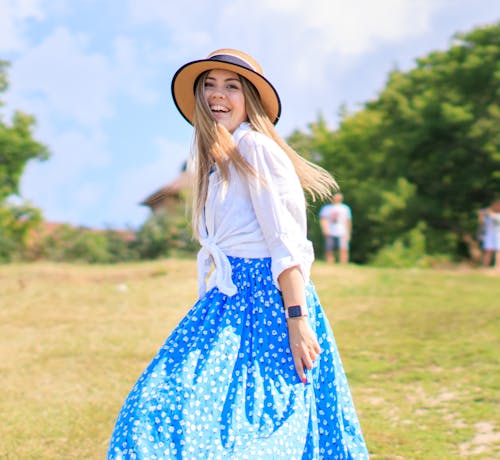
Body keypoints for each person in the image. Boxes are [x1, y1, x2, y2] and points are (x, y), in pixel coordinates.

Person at [107, 49, 369, 459]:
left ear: (249, 98)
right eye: (209, 85)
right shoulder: (218, 161)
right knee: (154, 415)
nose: (218, 94)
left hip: (270, 305)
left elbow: (286, 244)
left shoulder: (256, 149)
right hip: (226, 302)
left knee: (256, 433)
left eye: (231, 86)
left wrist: (298, 320)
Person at [319, 193, 352, 264]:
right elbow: (323, 219)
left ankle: (344, 263)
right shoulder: (327, 208)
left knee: (343, 248)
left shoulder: (345, 208)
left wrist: (348, 233)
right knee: (329, 248)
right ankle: (330, 262)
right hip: (330, 231)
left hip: (342, 231)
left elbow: (348, 221)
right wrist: (325, 229)